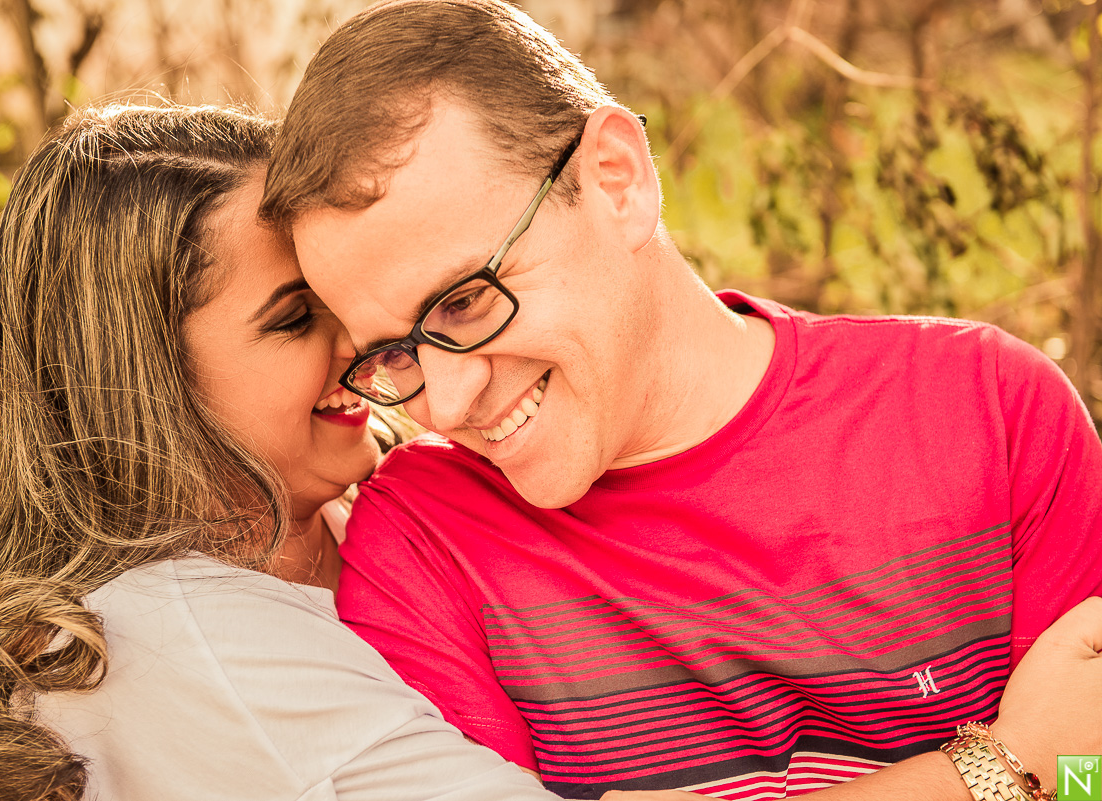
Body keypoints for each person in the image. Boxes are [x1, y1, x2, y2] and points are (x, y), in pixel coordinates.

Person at [259, 1, 1102, 798]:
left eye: (466, 301)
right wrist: (996, 770)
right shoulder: (424, 538)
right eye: (394, 352)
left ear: (617, 180)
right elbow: (1053, 760)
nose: (443, 405)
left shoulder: (987, 410)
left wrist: (1057, 773)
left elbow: (1092, 771)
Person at [0, 103, 563, 801]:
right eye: (294, 318)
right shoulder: (177, 638)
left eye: (340, 295)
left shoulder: (395, 519)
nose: (360, 340)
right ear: (146, 386)